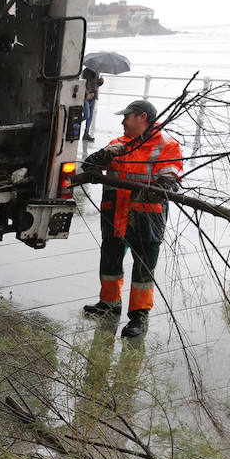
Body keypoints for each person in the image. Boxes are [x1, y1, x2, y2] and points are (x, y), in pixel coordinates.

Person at [80, 99, 183, 338]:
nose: (123, 121)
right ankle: (108, 304)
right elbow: (88, 168)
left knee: (143, 270)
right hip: (115, 214)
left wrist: (145, 188)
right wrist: (102, 155)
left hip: (146, 219)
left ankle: (139, 317)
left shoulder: (167, 146)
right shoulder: (118, 144)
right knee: (110, 262)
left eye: (127, 116)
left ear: (143, 118)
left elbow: (170, 186)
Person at [80, 66, 104, 141]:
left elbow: (96, 84)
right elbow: (82, 84)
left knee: (90, 118)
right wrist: (87, 94)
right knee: (87, 115)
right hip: (86, 97)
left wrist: (101, 82)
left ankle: (86, 134)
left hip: (93, 96)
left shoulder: (97, 72)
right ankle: (75, 122)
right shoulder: (86, 71)